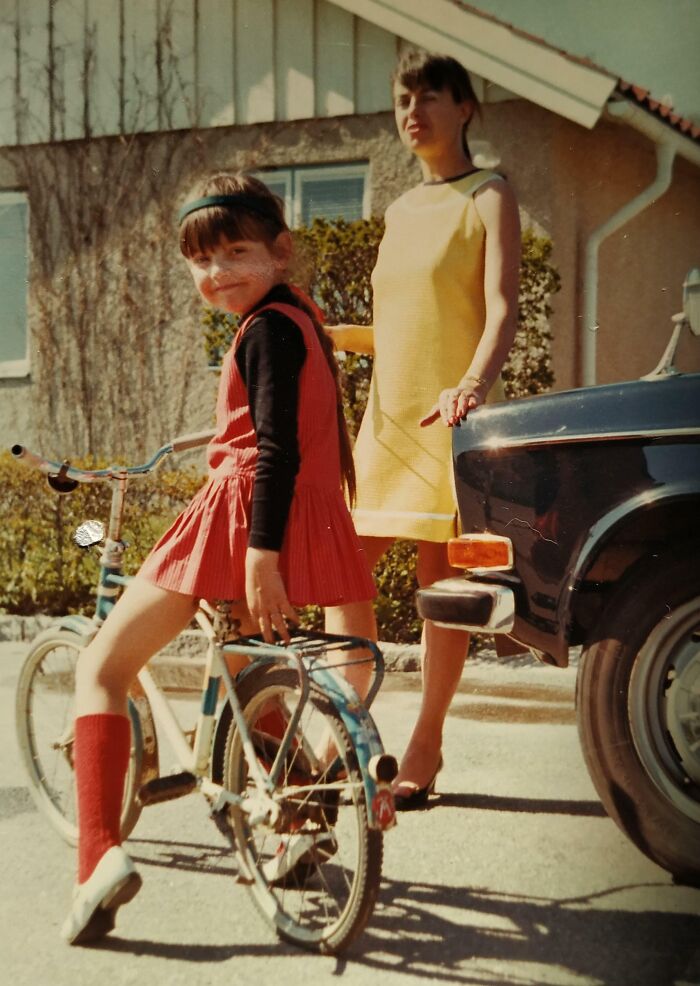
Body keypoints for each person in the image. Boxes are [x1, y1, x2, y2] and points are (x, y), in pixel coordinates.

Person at [61, 173, 377, 945]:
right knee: (246, 674)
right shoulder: (300, 319)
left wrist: (259, 556)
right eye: (201, 262)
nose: (217, 273)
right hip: (307, 515)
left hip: (246, 520)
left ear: (281, 250)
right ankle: (296, 821)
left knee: (99, 666)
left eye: (236, 252)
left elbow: (271, 450)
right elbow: (284, 427)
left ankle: (97, 857)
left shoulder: (262, 328)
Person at [327, 50, 521, 810]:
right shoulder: (402, 210)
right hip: (386, 424)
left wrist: (470, 386)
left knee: (438, 588)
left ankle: (428, 741)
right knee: (341, 562)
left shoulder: (488, 195)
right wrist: (335, 333)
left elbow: (499, 307)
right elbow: (400, 327)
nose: (413, 111)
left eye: (430, 96)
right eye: (404, 98)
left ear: (465, 107)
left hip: (451, 417)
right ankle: (352, 722)